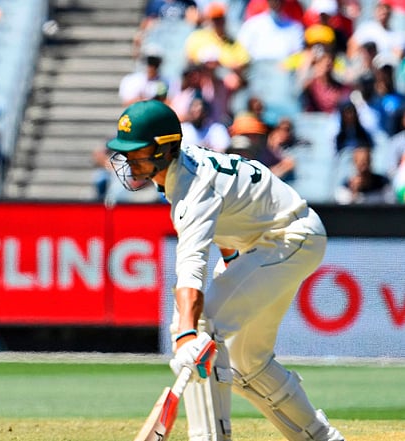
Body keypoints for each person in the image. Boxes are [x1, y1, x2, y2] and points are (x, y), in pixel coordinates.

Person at [106, 100, 345, 441]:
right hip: (274, 241)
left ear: (165, 148)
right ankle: (324, 438)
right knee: (247, 366)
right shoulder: (182, 171)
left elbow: (191, 266)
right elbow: (235, 217)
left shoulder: (192, 187)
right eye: (125, 153)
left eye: (138, 152)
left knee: (200, 322)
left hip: (288, 238)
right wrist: (233, 266)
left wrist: (187, 334)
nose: (129, 161)